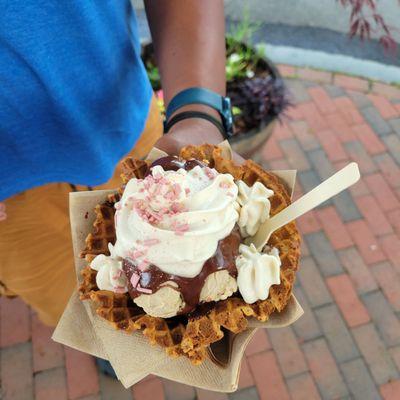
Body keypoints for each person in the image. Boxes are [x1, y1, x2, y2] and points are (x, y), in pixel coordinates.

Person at [0, 1, 230, 326]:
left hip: (138, 139)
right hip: (14, 202)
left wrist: (199, 115)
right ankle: (104, 342)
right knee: (69, 308)